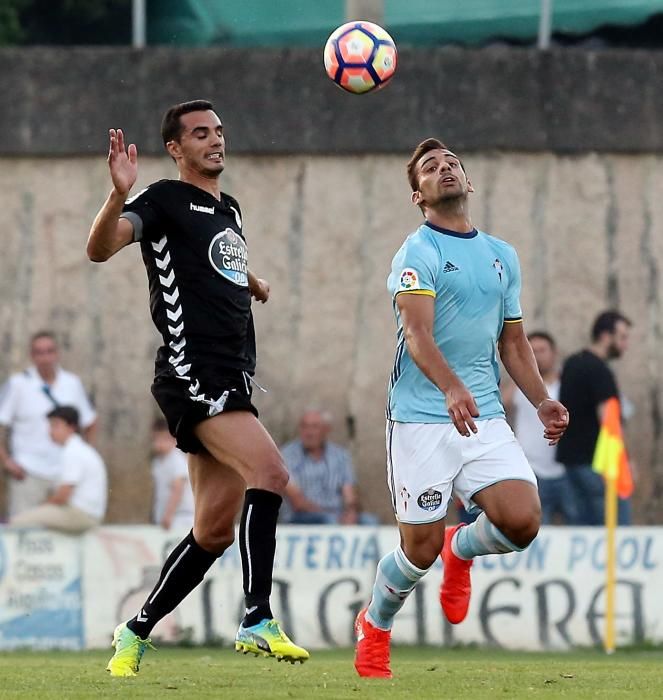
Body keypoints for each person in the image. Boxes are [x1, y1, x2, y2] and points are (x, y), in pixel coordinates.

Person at [87, 100, 308, 676]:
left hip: (232, 376)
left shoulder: (228, 209)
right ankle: (257, 614)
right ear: (175, 148)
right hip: (192, 373)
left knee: (212, 531)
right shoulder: (160, 199)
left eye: (219, 132)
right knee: (272, 473)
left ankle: (134, 631)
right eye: (201, 134)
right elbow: (101, 247)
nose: (215, 141)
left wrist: (253, 282)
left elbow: (219, 266)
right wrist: (118, 193)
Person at [353, 139, 569, 678]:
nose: (445, 169)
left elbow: (513, 344)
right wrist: (450, 387)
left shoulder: (502, 255)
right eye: (431, 167)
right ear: (417, 194)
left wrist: (542, 401)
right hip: (420, 420)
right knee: (417, 551)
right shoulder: (417, 253)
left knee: (522, 522)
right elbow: (417, 335)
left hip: (483, 416)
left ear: (467, 182)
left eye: (452, 164)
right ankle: (375, 624)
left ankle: (463, 547)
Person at [0, 331, 98, 519]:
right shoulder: (18, 384)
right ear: (32, 355)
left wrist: (84, 458)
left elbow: (90, 421)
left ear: (57, 353)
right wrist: (7, 462)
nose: (45, 358)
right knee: (24, 529)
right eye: (39, 352)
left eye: (49, 351)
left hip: (64, 474)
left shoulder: (72, 383)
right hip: (28, 473)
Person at [556, 310, 632, 526]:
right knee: (614, 527)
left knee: (583, 529)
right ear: (606, 336)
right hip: (598, 463)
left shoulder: (572, 363)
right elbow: (609, 420)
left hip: (572, 462)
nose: (625, 344)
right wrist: (625, 460)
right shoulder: (600, 370)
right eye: (623, 337)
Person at [502, 331, 576, 524]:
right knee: (535, 527)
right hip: (531, 468)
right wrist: (519, 370)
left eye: (542, 350)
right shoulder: (519, 388)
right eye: (532, 351)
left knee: (578, 524)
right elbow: (502, 403)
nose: (537, 356)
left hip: (565, 469)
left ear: (554, 353)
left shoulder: (567, 385)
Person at [10, 406, 107, 532]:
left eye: (55, 426)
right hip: (87, 514)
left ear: (71, 427)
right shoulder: (78, 449)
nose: (50, 431)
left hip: (80, 515)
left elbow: (63, 496)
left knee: (17, 522)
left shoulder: (73, 451)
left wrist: (42, 508)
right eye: (50, 426)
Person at [280, 408, 377, 525]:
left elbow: (349, 494)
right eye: (304, 426)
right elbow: (298, 502)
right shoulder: (287, 455)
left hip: (337, 515)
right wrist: (334, 517)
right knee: (329, 521)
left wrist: (350, 513)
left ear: (326, 430)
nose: (309, 432)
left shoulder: (340, 456)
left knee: (370, 521)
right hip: (301, 517)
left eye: (314, 427)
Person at [151, 417, 194, 531]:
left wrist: (168, 515)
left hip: (180, 517)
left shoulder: (176, 458)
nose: (160, 444)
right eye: (156, 439)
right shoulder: (158, 462)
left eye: (164, 439)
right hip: (164, 518)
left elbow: (178, 488)